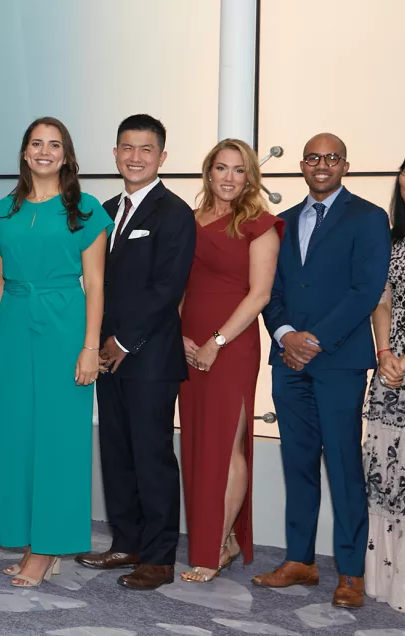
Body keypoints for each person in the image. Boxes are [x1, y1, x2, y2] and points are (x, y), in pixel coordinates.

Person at [254, 133, 390, 609]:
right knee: (298, 462)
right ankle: (300, 560)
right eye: (313, 157)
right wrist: (284, 334)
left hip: (339, 360)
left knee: (344, 464)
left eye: (331, 157)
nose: (322, 164)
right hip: (288, 360)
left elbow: (366, 289)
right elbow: (270, 289)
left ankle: (350, 572)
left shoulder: (369, 217)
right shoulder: (284, 221)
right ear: (302, 165)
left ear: (345, 165)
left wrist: (312, 341)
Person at [0, 117, 111, 588]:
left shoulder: (86, 209)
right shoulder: (3, 211)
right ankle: (28, 538)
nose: (44, 151)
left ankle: (48, 547)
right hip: (14, 326)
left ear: (66, 155)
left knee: (60, 439)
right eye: (36, 143)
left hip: (64, 324)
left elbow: (95, 283)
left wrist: (90, 347)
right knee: (15, 436)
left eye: (54, 145)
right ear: (24, 152)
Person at [76, 114, 195, 591]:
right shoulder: (105, 211)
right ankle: (126, 543)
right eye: (127, 147)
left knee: (152, 456)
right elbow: (95, 282)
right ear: (115, 153)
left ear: (162, 156)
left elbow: (168, 288)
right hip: (106, 356)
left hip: (150, 357)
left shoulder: (175, 212)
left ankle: (160, 557)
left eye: (146, 149)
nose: (135, 157)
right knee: (117, 453)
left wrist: (124, 342)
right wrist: (97, 343)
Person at [177, 139, 281, 583]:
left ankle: (217, 545)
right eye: (222, 168)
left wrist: (215, 341)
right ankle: (223, 538)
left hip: (232, 345)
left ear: (250, 177)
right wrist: (177, 333)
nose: (229, 177)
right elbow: (177, 283)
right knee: (197, 443)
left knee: (227, 444)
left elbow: (260, 295)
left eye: (239, 170)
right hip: (186, 343)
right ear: (208, 172)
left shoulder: (260, 224)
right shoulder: (187, 220)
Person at [365, 144, 405, 617]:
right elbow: (380, 296)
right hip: (391, 362)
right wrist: (385, 353)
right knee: (387, 466)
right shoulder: (391, 235)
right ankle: (389, 577)